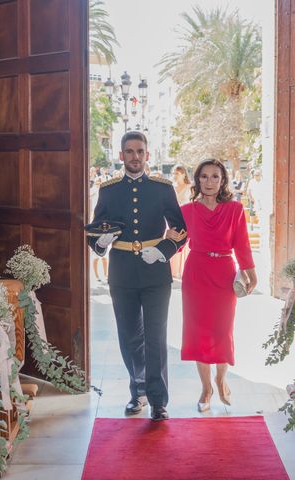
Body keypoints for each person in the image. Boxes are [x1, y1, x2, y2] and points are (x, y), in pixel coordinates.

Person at [88, 131, 187, 421]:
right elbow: (95, 230)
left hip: (155, 271)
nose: (134, 157)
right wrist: (100, 242)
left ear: (147, 154)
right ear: (121, 155)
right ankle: (138, 392)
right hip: (122, 272)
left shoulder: (162, 188)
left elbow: (180, 228)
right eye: (129, 151)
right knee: (130, 336)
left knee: (156, 336)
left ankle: (158, 400)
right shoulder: (108, 190)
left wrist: (164, 250)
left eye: (139, 151)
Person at [167, 158, 257, 412]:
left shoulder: (235, 210)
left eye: (215, 177)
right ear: (197, 180)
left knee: (222, 330)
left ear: (223, 180)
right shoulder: (186, 211)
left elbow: (242, 245)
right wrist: (168, 238)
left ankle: (221, 378)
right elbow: (178, 243)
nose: (209, 182)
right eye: (204, 177)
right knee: (198, 331)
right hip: (196, 274)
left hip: (224, 275)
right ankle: (206, 389)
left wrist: (251, 274)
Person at [170, 165, 192, 278]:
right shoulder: (171, 187)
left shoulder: (190, 187)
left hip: (187, 219)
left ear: (183, 174)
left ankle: (184, 269)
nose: (175, 176)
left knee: (185, 242)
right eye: (173, 173)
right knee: (174, 240)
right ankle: (173, 270)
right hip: (173, 219)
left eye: (177, 174)